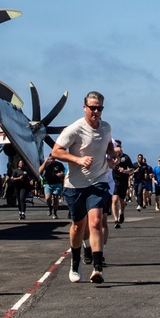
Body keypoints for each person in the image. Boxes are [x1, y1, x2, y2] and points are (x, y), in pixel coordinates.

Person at [51, 91, 116, 284]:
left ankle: (97, 268)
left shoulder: (106, 128)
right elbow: (56, 152)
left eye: (99, 108)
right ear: (85, 108)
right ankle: (75, 261)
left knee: (96, 222)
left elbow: (108, 146)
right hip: (75, 184)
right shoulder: (74, 129)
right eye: (93, 108)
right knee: (78, 226)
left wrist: (113, 156)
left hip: (98, 181)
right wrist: (77, 160)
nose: (96, 111)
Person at [111, 140, 133, 227]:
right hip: (114, 180)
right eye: (115, 146)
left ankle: (121, 213)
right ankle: (116, 220)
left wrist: (124, 171)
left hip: (123, 180)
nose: (116, 148)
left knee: (121, 201)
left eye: (118, 146)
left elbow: (131, 169)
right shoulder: (111, 156)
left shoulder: (126, 157)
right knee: (114, 199)